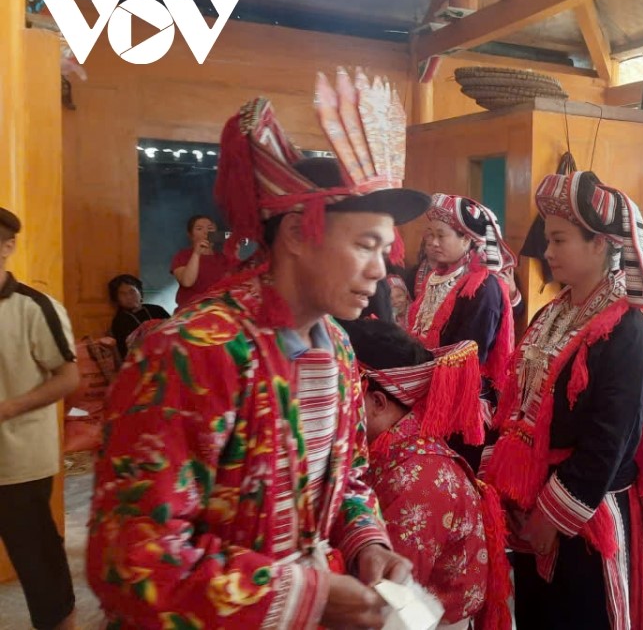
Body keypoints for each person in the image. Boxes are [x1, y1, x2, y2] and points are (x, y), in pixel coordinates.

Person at [88, 69, 427, 628]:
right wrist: (307, 596)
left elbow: (348, 479)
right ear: (295, 234)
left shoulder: (338, 348)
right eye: (366, 245)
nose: (380, 270)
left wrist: (368, 542)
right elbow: (131, 560)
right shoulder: (193, 352)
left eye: (385, 250)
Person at [483, 171, 643, 630]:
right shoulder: (552, 313)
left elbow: (611, 439)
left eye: (559, 240)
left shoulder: (628, 328)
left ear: (601, 244)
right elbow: (516, 404)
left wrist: (552, 516)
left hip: (584, 511)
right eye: (548, 240)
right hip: (531, 501)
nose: (548, 252)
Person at [344, 319, 511, 630]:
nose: (339, 408)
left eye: (347, 394)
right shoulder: (395, 452)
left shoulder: (416, 480)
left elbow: (385, 601)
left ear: (378, 402)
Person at [0, 206, 81, 630]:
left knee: (37, 560)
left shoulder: (35, 307)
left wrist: (8, 408)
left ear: (8, 246)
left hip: (19, 460)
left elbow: (68, 377)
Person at [409, 193, 518, 468]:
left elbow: (469, 353)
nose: (433, 242)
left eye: (441, 235)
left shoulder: (483, 287)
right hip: (427, 390)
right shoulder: (435, 277)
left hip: (460, 403)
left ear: (467, 239)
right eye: (430, 234)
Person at [171, 213, 234, 308]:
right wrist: (196, 253)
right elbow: (187, 282)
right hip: (191, 310)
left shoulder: (224, 258)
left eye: (210, 228)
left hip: (219, 309)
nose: (206, 232)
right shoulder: (182, 256)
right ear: (191, 235)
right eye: (199, 229)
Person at [107, 274, 170, 357]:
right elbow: (125, 351)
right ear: (117, 299)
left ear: (140, 292)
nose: (129, 297)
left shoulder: (157, 309)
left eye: (132, 291)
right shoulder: (119, 321)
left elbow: (173, 329)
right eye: (123, 294)